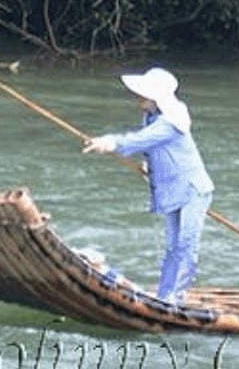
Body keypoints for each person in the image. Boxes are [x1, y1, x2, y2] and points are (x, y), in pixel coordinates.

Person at [83, 66, 214, 303]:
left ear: (157, 98)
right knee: (173, 247)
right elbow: (151, 148)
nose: (138, 98)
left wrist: (111, 142)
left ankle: (176, 298)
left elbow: (141, 140)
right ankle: (165, 296)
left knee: (185, 246)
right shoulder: (151, 117)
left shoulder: (170, 123)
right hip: (174, 188)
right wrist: (149, 166)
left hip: (193, 189)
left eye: (143, 94)